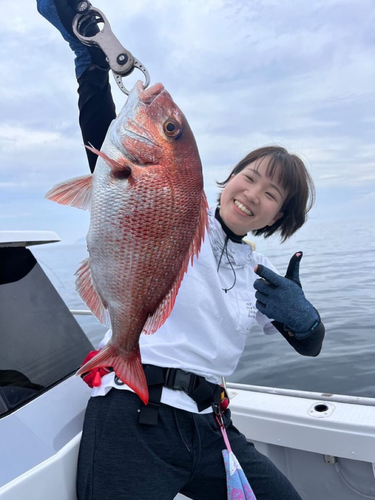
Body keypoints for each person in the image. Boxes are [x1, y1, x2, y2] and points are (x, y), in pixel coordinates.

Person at [38, 2, 325, 499]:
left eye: (272, 195)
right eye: (249, 177)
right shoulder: (179, 214)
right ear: (226, 180)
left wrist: (306, 320)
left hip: (212, 429)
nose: (253, 194)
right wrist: (90, 61)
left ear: (279, 217)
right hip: (135, 415)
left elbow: (310, 347)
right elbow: (105, 147)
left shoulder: (257, 276)